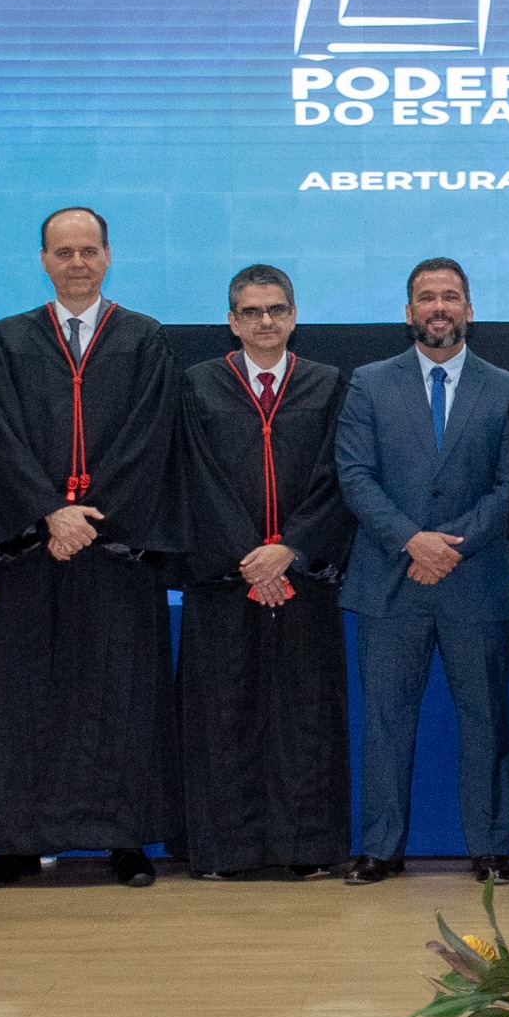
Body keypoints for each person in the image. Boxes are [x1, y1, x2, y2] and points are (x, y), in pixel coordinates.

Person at [0, 207, 182, 888]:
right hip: (34, 550)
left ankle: (123, 839)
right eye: (63, 252)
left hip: (115, 551)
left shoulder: (145, 339)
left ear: (109, 257)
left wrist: (89, 519)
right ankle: (18, 841)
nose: (76, 262)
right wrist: (48, 514)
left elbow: (150, 438)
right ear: (43, 261)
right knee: (24, 698)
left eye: (88, 250)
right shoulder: (9, 340)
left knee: (119, 695)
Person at [333, 258, 509, 885]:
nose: (438, 307)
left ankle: (490, 848)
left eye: (450, 297)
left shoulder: (508, 386)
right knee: (386, 725)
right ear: (408, 310)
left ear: (469, 309)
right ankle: (382, 849)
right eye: (426, 297)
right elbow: (355, 475)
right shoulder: (368, 382)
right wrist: (412, 541)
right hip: (390, 582)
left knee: (487, 722)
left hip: (476, 583)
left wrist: (450, 547)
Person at [170, 264, 356, 880]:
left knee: (305, 718)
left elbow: (341, 478)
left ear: (294, 316)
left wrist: (291, 550)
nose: (265, 322)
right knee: (224, 717)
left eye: (276, 309)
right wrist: (249, 558)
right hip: (225, 584)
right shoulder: (197, 386)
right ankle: (228, 850)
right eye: (251, 312)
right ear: (231, 322)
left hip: (303, 582)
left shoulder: (328, 385)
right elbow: (195, 480)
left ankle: (306, 849)